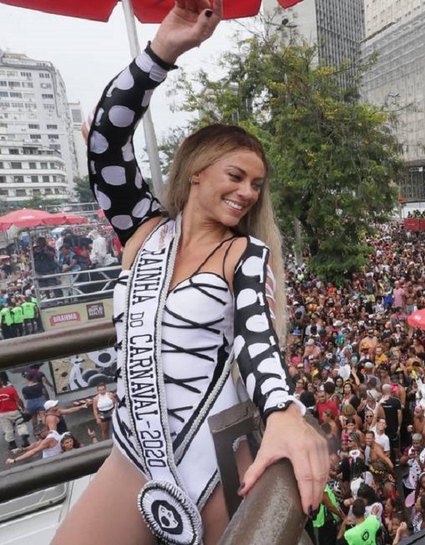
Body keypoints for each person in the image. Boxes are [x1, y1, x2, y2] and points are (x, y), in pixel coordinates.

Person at [53, 3, 328, 544]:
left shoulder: (244, 254)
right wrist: (164, 50)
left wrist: (283, 410)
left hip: (212, 460)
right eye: (235, 174)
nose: (247, 192)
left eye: (256, 184)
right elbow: (106, 139)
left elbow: (257, 342)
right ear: (197, 171)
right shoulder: (142, 230)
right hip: (135, 452)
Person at [0, 371, 30, 450]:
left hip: (2, 414)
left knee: (7, 429)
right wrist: (23, 408)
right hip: (14, 412)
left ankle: (12, 445)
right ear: (2, 382)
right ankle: (25, 440)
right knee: (20, 424)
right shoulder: (10, 389)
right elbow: (18, 400)